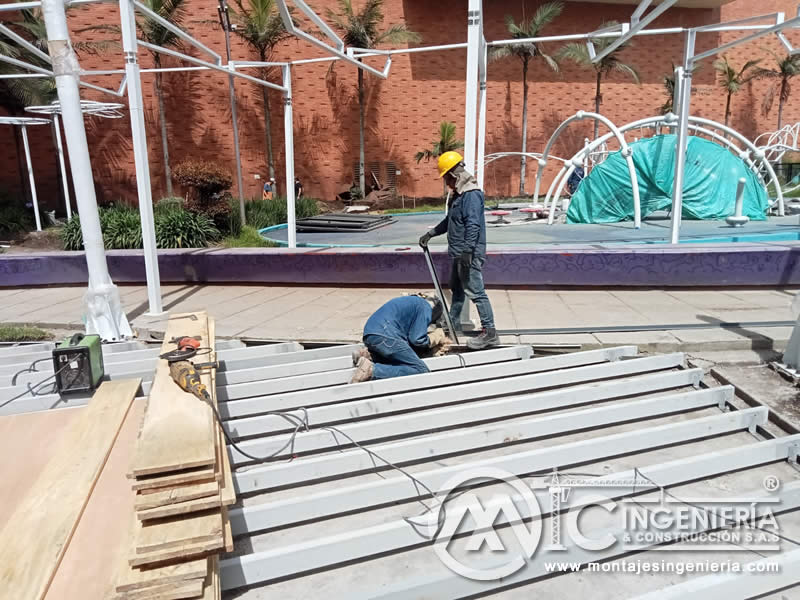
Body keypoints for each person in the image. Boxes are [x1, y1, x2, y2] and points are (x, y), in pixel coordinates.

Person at [419, 151, 498, 350]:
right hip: (459, 252)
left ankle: (490, 333)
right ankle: (452, 325)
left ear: (455, 175)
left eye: (447, 178)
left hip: (468, 253)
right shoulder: (458, 196)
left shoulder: (471, 195)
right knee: (457, 289)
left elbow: (473, 225)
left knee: (476, 292)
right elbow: (450, 221)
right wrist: (431, 234)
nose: (447, 183)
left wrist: (468, 252)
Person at [351, 293, 449, 383]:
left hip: (370, 334)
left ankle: (370, 356)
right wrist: (435, 338)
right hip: (386, 336)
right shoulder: (426, 307)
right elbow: (417, 339)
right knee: (419, 369)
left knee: (396, 360)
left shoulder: (411, 302)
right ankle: (373, 370)